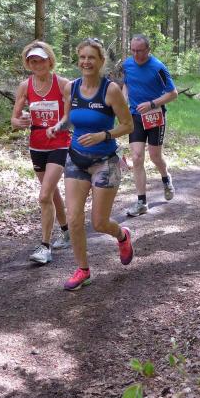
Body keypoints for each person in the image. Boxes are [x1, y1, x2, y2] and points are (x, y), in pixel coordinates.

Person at [46, 38, 135, 290]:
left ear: (101, 61)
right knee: (74, 218)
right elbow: (68, 118)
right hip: (76, 158)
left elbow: (128, 125)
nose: (86, 62)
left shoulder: (111, 90)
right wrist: (57, 127)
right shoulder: (71, 88)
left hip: (105, 162)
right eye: (82, 57)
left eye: (91, 58)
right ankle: (83, 270)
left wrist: (103, 135)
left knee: (99, 223)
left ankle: (122, 235)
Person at [10, 41, 71, 265]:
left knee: (44, 195)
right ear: (28, 64)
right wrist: (20, 121)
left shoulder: (63, 84)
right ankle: (66, 232)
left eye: (41, 60)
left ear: (49, 61)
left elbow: (71, 117)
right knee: (51, 193)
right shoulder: (25, 86)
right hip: (36, 145)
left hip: (59, 143)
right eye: (33, 61)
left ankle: (45, 247)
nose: (37, 65)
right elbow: (14, 119)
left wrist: (58, 126)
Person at [122, 34, 178, 217]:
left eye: (139, 51)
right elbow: (126, 85)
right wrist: (123, 101)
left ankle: (166, 178)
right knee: (137, 157)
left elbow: (173, 93)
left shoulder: (158, 67)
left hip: (155, 116)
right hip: (135, 116)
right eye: (133, 50)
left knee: (155, 156)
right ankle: (141, 202)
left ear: (148, 50)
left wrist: (152, 104)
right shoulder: (127, 65)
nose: (136, 54)